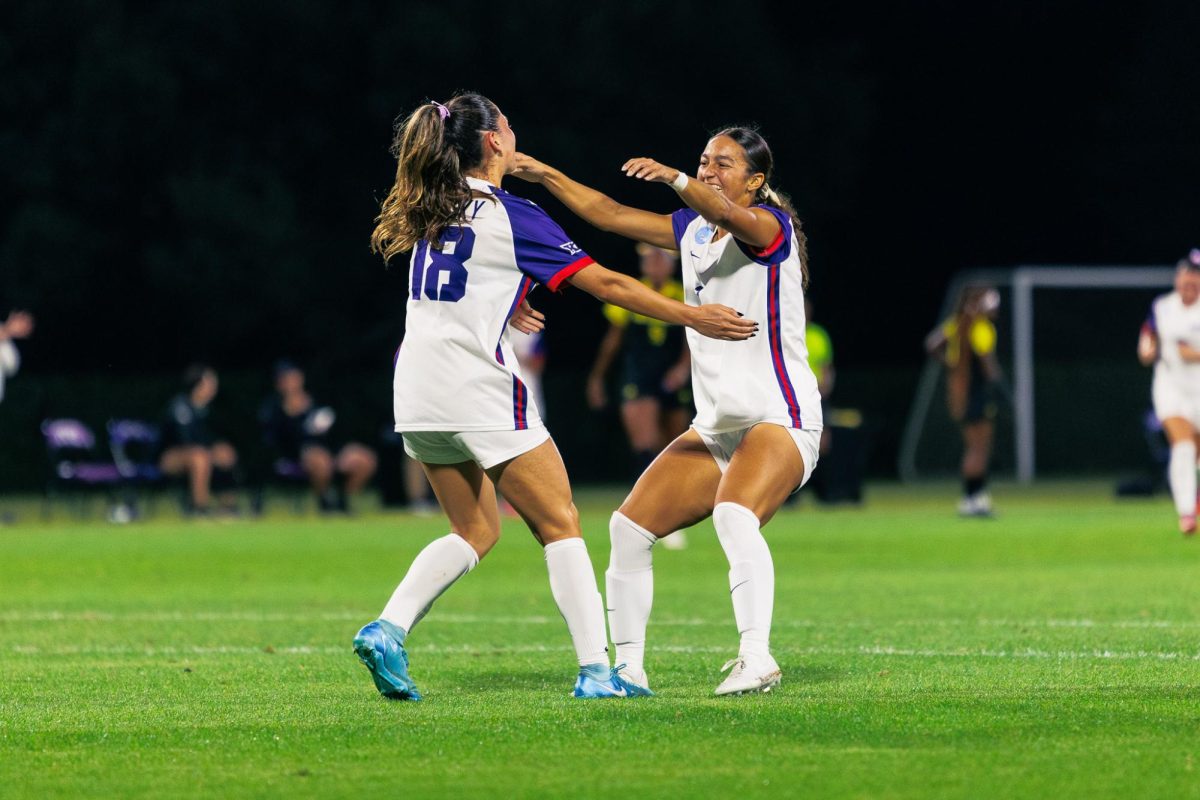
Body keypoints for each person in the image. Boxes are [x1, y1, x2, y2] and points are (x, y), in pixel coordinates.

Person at [355, 93, 756, 702]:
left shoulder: (432, 208)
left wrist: (507, 294)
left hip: (414, 392)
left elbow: (455, 282)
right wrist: (691, 316)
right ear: (492, 143)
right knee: (560, 524)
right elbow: (608, 283)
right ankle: (598, 672)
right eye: (509, 126)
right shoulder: (513, 215)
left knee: (475, 529)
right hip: (476, 389)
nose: (515, 133)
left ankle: (388, 628)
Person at [512, 125, 823, 696]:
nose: (708, 170)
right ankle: (628, 670)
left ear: (755, 181)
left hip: (781, 417)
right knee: (629, 529)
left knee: (734, 515)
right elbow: (606, 214)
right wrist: (547, 176)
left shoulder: (767, 229)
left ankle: (757, 657)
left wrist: (677, 178)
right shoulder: (694, 229)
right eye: (704, 160)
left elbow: (734, 218)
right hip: (717, 426)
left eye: (723, 164)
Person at [586, 243, 692, 478]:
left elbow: (692, 338)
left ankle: (679, 495)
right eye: (649, 258)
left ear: (671, 264)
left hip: (673, 376)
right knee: (645, 445)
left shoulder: (684, 295)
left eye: (660, 258)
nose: (654, 263)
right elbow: (611, 342)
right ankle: (649, 501)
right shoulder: (630, 292)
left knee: (676, 445)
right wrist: (597, 378)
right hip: (638, 375)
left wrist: (683, 368)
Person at [260, 361, 378, 513]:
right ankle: (325, 502)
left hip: (333, 450)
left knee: (365, 459)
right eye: (285, 379)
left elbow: (338, 428)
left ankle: (343, 499)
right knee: (319, 459)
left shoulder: (318, 398)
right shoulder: (274, 408)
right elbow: (275, 440)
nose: (291, 382)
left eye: (293, 377)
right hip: (299, 456)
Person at [1138, 249, 1200, 535]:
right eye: (1186, 279)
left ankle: (1193, 502)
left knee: (1196, 453)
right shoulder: (1163, 306)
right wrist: (1147, 349)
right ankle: (1186, 513)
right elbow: (1149, 335)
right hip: (1170, 387)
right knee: (1183, 446)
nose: (1189, 286)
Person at [925, 286, 1001, 518]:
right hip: (976, 392)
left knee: (974, 446)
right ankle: (973, 498)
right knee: (979, 447)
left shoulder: (957, 323)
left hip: (962, 392)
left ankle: (975, 497)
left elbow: (932, 344)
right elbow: (988, 366)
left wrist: (952, 365)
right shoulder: (980, 327)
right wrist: (1000, 388)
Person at [159, 364, 241, 516]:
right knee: (199, 457)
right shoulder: (180, 406)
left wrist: (218, 450)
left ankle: (227, 506)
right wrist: (210, 450)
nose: (214, 386)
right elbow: (185, 440)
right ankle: (200, 508)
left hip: (200, 452)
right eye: (210, 382)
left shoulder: (209, 408)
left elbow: (213, 439)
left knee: (225, 453)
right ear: (197, 383)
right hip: (168, 458)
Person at [0, 310, 34, 405]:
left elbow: (11, 370)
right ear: (12, 315)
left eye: (26, 327)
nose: (20, 325)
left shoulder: (12, 357)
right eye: (21, 319)